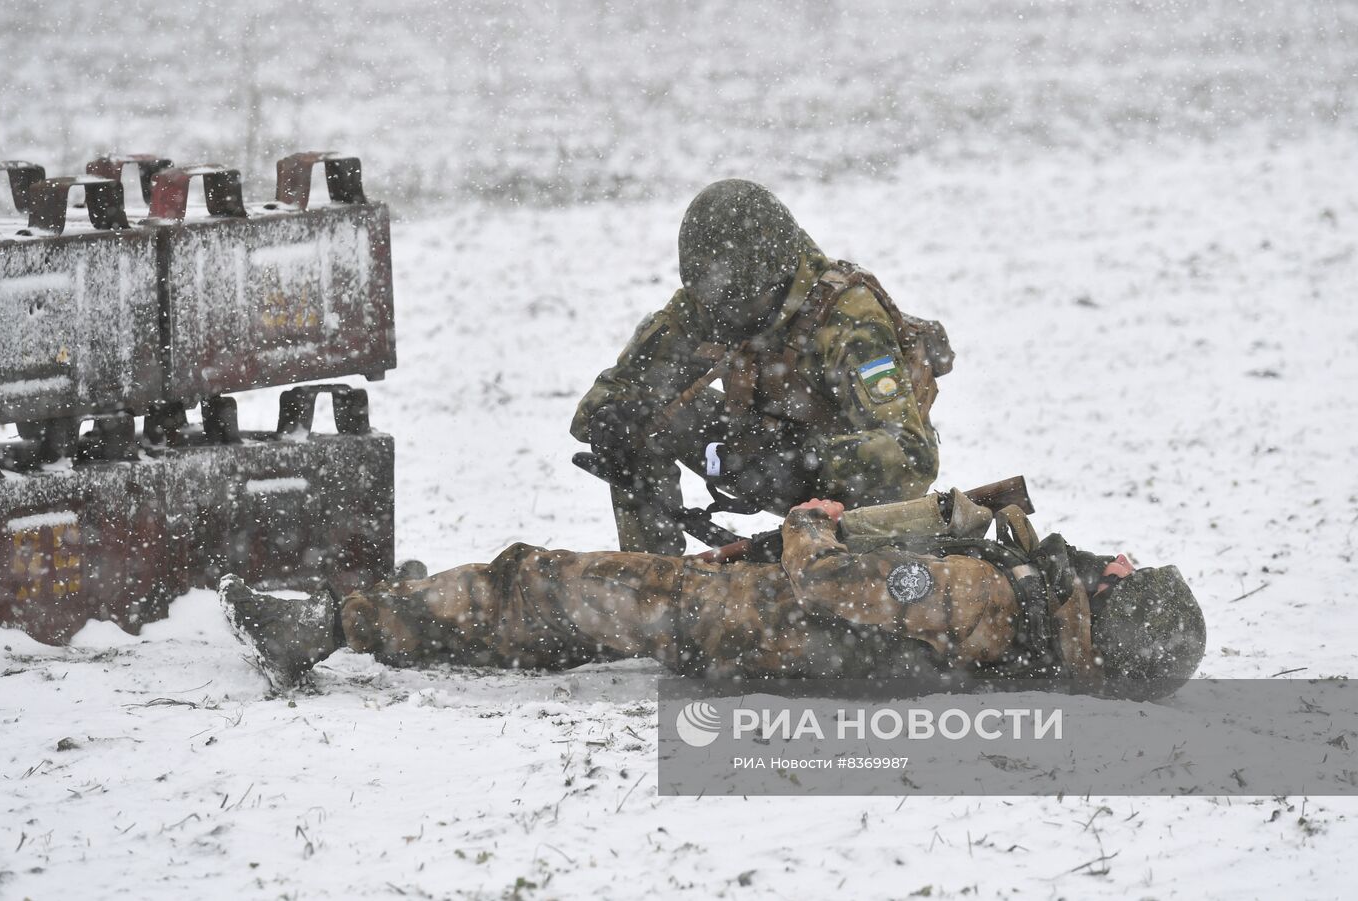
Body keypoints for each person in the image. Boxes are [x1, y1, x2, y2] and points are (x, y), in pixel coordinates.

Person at [219, 493, 1206, 700]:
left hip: (725, 615)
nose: (1114, 561)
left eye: (1127, 577)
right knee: (539, 626)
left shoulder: (969, 591)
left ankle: (330, 622)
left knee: (538, 587)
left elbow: (828, 585)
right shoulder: (1031, 624)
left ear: (1112, 601)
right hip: (740, 629)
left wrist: (810, 522)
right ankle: (387, 619)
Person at [571, 179, 954, 554]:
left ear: (780, 280)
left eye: (741, 305)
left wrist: (810, 459)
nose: (724, 318)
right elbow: (607, 397)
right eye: (715, 303)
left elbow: (913, 456)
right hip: (750, 455)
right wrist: (610, 419)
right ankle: (652, 582)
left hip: (840, 489)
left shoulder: (847, 316)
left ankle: (839, 570)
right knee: (634, 416)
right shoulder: (705, 304)